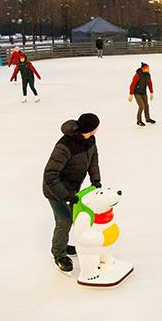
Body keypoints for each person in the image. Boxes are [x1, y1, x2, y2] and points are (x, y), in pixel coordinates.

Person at [42, 113, 101, 274]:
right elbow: (50, 175)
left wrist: (96, 180)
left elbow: (93, 159)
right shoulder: (65, 146)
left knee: (76, 217)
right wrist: (66, 195)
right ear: (90, 128)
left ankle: (63, 243)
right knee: (64, 220)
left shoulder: (90, 140)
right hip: (55, 190)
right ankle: (59, 255)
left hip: (72, 188)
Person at [128, 62, 155, 126]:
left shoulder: (148, 75)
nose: (149, 69)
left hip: (143, 92)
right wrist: (131, 94)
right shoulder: (138, 75)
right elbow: (132, 84)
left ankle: (147, 119)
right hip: (137, 93)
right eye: (147, 68)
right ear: (144, 69)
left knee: (146, 105)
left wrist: (151, 92)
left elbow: (150, 83)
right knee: (141, 106)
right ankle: (139, 121)